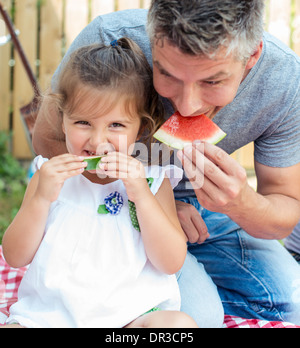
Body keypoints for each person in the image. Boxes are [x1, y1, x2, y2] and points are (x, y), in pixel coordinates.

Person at [32, 0, 300, 324]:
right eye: (166, 73)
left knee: (294, 305)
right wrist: (160, 205)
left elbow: (284, 211)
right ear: (151, 36)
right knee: (197, 320)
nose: (187, 106)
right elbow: (47, 140)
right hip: (127, 206)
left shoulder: (283, 78)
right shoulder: (109, 39)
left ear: (252, 56)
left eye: (212, 82)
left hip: (218, 217)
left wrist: (241, 202)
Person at [1, 38, 199, 328]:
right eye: (83, 123)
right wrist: (41, 199)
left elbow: (171, 262)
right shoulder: (47, 176)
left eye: (116, 125)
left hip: (129, 318)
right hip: (50, 319)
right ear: (63, 120)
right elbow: (15, 256)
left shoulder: (154, 182)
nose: (97, 141)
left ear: (140, 129)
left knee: (179, 326)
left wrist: (141, 195)